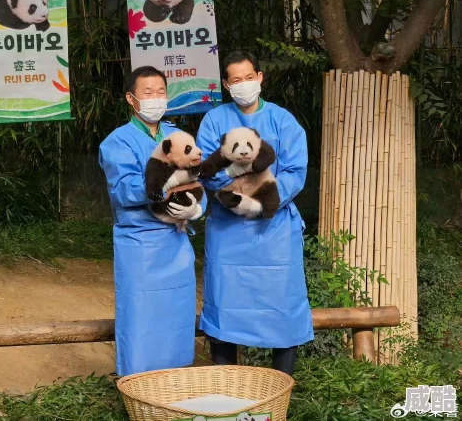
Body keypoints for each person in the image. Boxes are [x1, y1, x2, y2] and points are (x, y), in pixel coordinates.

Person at [196, 51, 314, 376]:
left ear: (259, 78)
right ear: (226, 84)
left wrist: (264, 201)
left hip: (273, 232)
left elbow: (295, 170)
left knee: (282, 310)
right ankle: (229, 394)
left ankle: (277, 394)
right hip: (228, 229)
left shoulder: (282, 120)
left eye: (249, 77)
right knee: (225, 309)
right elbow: (207, 169)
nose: (243, 84)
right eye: (236, 80)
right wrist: (235, 195)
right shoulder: (215, 121)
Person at [98, 66, 207, 377]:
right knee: (141, 323)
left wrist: (197, 209)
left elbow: (200, 179)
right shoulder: (117, 142)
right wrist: (166, 181)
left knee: (177, 319)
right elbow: (122, 190)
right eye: (148, 93)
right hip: (140, 247)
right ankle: (139, 391)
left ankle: (173, 390)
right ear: (131, 99)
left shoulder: (177, 136)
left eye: (161, 92)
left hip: (176, 242)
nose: (156, 98)